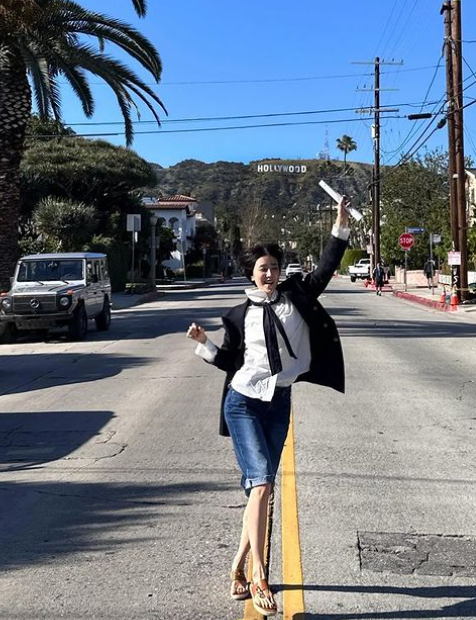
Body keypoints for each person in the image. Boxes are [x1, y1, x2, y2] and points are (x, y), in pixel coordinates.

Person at [186, 197, 350, 616]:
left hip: (279, 401)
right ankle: (260, 576)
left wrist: (340, 224)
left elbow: (327, 266)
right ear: (252, 273)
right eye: (263, 268)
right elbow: (229, 361)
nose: (270, 273)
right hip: (242, 402)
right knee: (261, 485)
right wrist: (204, 344)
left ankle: (237, 569)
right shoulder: (237, 316)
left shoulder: (297, 295)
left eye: (275, 267)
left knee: (261, 490)